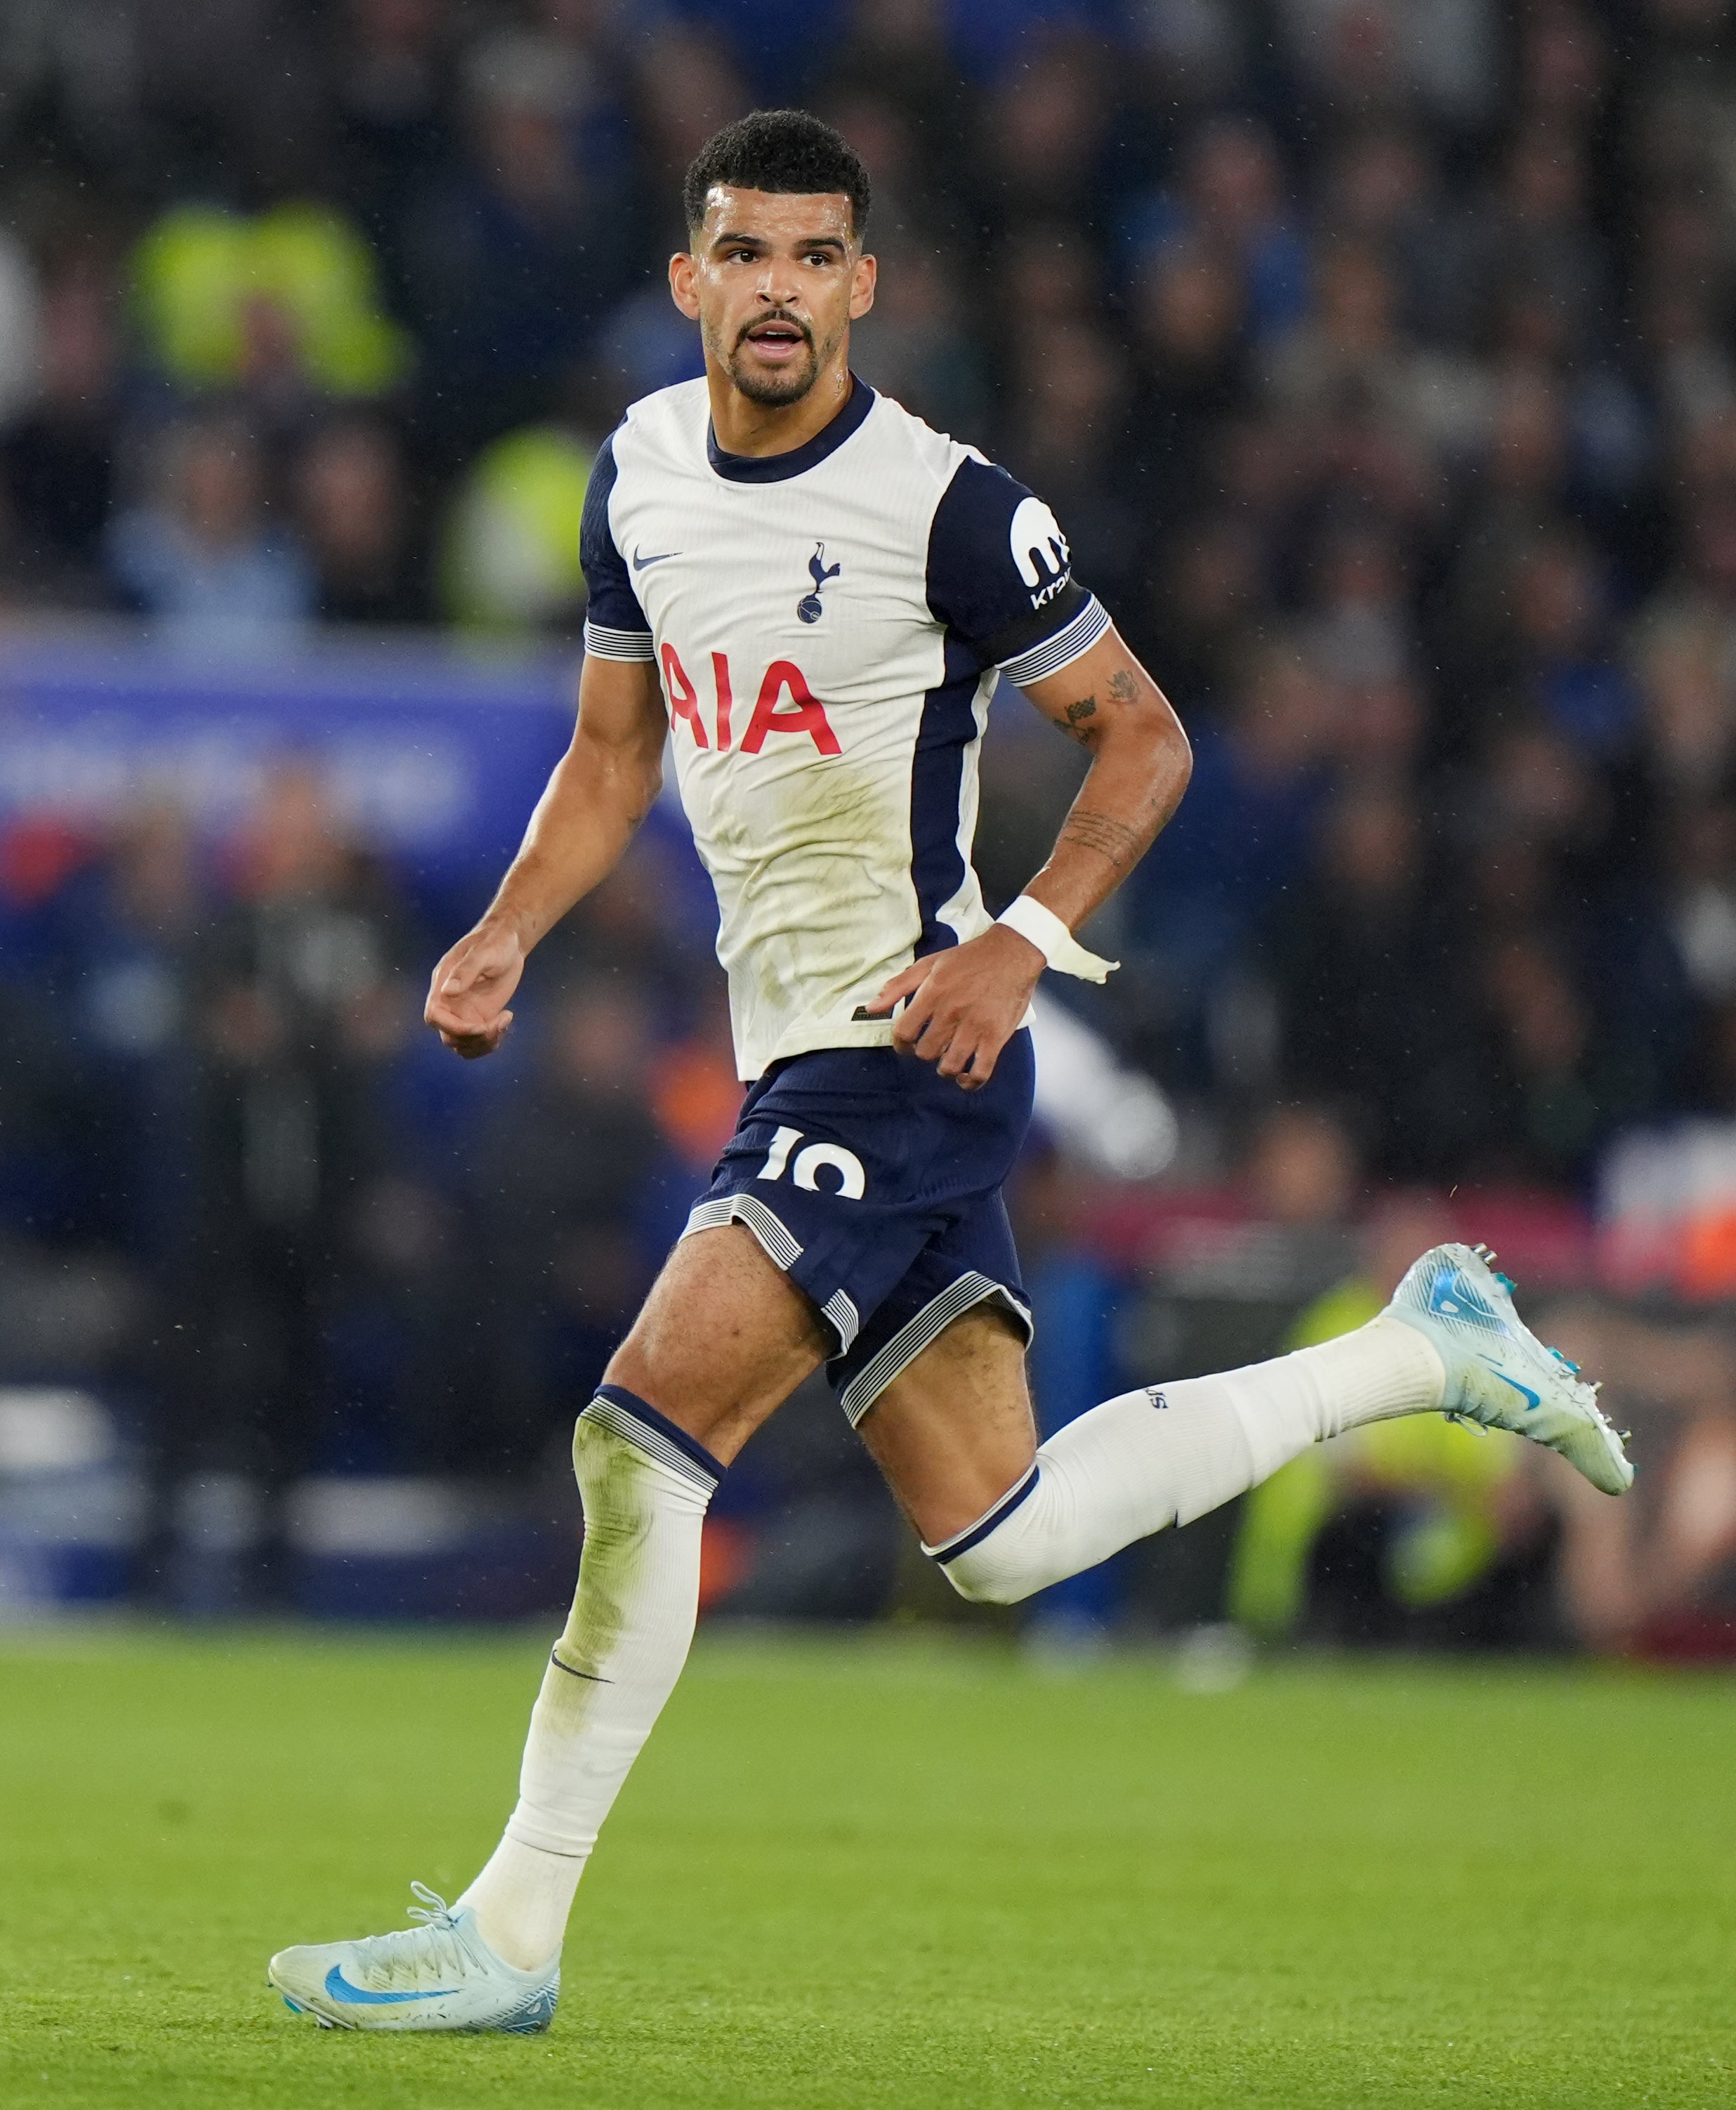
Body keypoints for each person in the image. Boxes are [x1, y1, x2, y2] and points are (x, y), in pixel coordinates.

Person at [267, 109, 1633, 2035]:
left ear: (865, 285)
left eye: (817, 257)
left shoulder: (951, 508)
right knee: (1004, 1537)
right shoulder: (639, 476)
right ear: (690, 279)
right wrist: (506, 929)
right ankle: (1426, 1349)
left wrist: (1022, 941)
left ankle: (508, 1928)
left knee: (639, 1433)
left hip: (902, 1049)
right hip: (795, 1062)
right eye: (744, 253)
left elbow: (1144, 740)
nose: (777, 291)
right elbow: (608, 757)